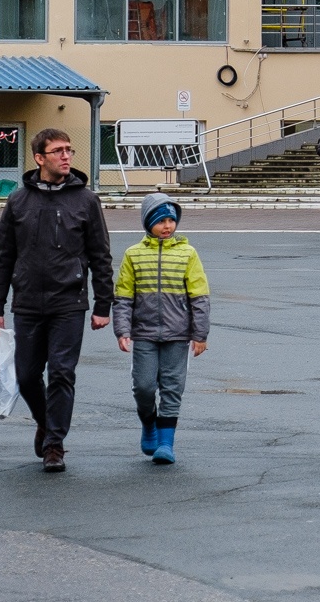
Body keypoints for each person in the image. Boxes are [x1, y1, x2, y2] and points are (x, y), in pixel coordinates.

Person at [0, 127, 113, 474]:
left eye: (69, 150)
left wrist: (104, 304)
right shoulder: (17, 201)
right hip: (27, 301)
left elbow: (100, 254)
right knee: (27, 376)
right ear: (39, 158)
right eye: (58, 151)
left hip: (68, 302)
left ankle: (54, 445)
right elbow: (3, 256)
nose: (66, 156)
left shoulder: (85, 200)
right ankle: (44, 422)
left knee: (61, 372)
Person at [114, 192, 210, 466]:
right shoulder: (133, 254)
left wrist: (199, 334)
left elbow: (199, 296)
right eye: (160, 220)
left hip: (177, 334)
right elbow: (123, 297)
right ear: (147, 223)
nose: (167, 226)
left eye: (171, 220)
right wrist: (122, 331)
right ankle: (149, 424)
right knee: (143, 387)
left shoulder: (188, 253)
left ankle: (166, 443)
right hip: (143, 333)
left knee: (172, 387)